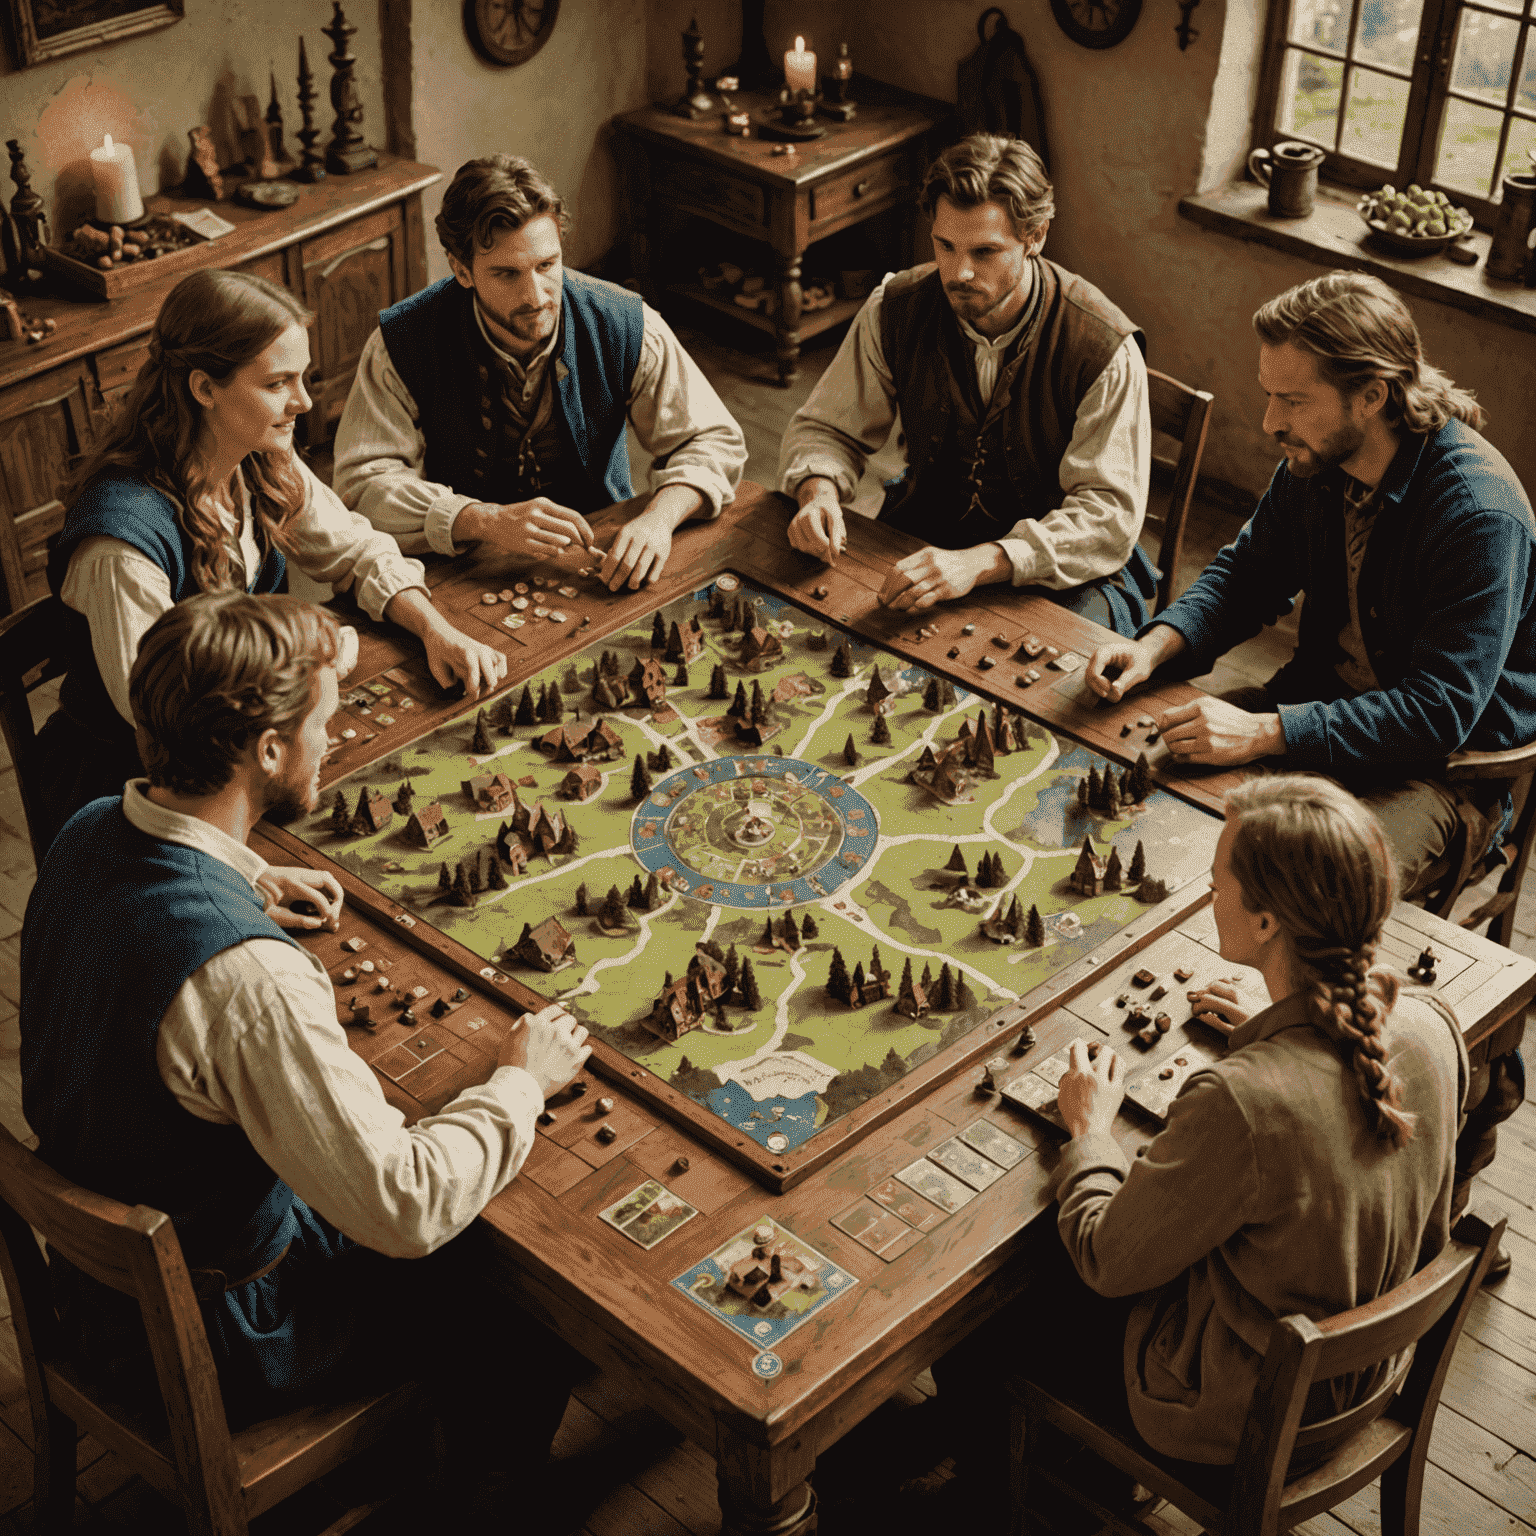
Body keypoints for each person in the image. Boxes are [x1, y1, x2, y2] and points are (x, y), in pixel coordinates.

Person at [20, 591, 590, 1521]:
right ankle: (474, 1505)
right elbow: (402, 1208)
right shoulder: (251, 982)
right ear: (269, 751)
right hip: (229, 1332)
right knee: (531, 1297)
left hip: (91, 1289)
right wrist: (520, 1083)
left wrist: (245, 873)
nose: (334, 738)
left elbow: (150, 903)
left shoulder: (87, 831)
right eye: (324, 722)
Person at [935, 775, 1467, 1515]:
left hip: (1236, 1418)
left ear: (1268, 923)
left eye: (1219, 880)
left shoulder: (1244, 1101)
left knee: (987, 1305)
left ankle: (1017, 1499)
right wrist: (1279, 1016)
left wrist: (1089, 1132)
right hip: (1372, 1374)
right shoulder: (1433, 1027)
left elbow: (1107, 1259)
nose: (1208, 892)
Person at [1084, 271, 1536, 902]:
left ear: (1372, 395)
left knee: (1318, 887)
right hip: (1316, 708)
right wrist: (1153, 647)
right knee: (1130, 762)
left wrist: (1268, 732)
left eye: (1291, 401)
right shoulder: (1314, 464)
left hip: (1438, 777)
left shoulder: (1479, 515)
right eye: (1271, 396)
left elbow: (1438, 715)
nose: (1271, 421)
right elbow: (1245, 577)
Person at [36, 267, 507, 855]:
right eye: (278, 383)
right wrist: (309, 672)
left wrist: (436, 630)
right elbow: (166, 718)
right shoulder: (120, 546)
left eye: (302, 378)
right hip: (140, 806)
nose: (303, 403)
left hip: (244, 755)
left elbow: (357, 552)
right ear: (204, 388)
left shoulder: (256, 456)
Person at [779, 132, 1157, 635]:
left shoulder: (1103, 348)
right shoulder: (895, 308)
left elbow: (1106, 519)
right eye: (944, 244)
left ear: (1036, 235)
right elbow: (828, 429)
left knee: (1048, 691)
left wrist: (980, 563)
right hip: (927, 532)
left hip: (1062, 574)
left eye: (985, 251)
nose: (959, 272)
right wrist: (818, 492)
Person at [333, 154, 747, 591]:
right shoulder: (403, 342)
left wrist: (658, 520)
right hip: (461, 567)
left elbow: (712, 440)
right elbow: (362, 487)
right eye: (506, 274)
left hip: (596, 556)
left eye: (547, 266)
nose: (536, 295)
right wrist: (480, 519)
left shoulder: (624, 323)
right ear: (461, 270)